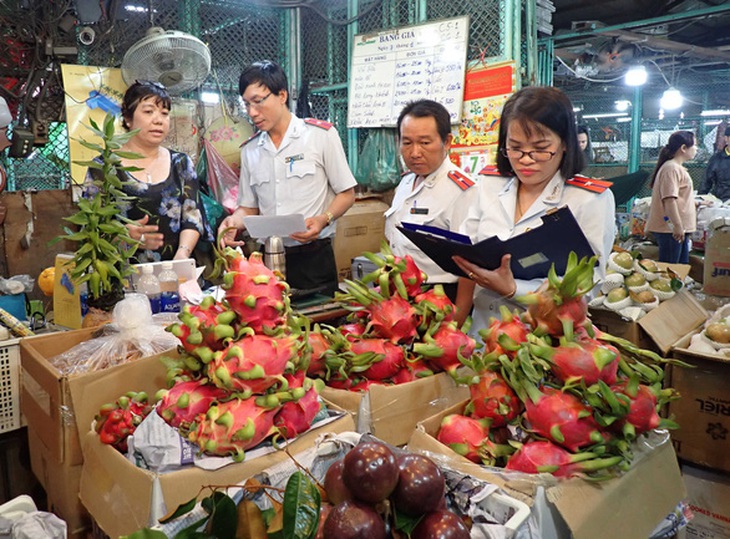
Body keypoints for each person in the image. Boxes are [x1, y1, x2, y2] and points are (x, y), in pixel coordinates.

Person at [452, 87, 616, 332]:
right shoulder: (489, 184)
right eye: (515, 148)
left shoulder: (589, 199)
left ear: (565, 145)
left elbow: (586, 284)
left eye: (540, 148)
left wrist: (514, 289)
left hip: (542, 341)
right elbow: (468, 246)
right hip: (483, 334)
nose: (526, 159)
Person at [218, 60, 356, 296]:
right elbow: (248, 209)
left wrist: (324, 218)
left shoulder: (320, 136)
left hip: (313, 259)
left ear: (281, 95)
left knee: (319, 327)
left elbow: (347, 193)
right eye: (247, 104)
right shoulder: (250, 150)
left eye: (259, 101)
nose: (252, 112)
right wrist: (233, 223)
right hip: (266, 262)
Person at [84, 80, 213, 263]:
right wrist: (122, 237)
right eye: (148, 111)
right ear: (128, 119)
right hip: (123, 278)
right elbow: (90, 229)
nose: (158, 120)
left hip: (177, 273)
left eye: (165, 113)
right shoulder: (104, 167)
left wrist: (182, 256)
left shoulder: (181, 164)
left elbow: (193, 217)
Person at [384, 99, 478, 301]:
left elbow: (470, 261)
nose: (415, 152)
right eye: (407, 143)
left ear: (447, 142)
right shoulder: (406, 183)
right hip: (401, 294)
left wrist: (458, 319)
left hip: (438, 296)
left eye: (425, 143)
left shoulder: (461, 190)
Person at [645, 130, 697, 264]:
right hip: (671, 230)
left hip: (677, 229)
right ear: (683, 148)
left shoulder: (677, 168)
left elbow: (679, 198)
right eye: (695, 145)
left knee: (681, 268)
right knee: (670, 270)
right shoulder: (671, 169)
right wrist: (677, 226)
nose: (696, 149)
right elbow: (669, 200)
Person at [699, 126, 730, 201]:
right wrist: (700, 199)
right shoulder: (716, 159)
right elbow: (706, 181)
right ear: (726, 138)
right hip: (722, 202)